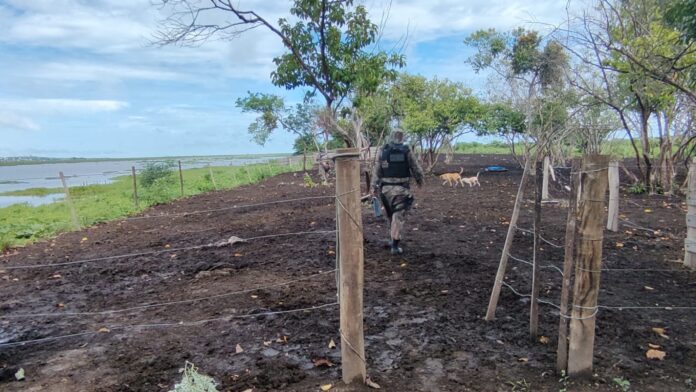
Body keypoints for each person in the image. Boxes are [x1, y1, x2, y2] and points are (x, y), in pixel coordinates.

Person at [371, 129, 424, 255]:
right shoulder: (406, 151)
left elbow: (377, 170)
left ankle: (392, 239)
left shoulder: (383, 151)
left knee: (391, 216)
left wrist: (373, 187)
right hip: (401, 190)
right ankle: (394, 245)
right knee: (397, 217)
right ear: (402, 137)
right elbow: (415, 167)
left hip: (385, 190)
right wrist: (420, 180)